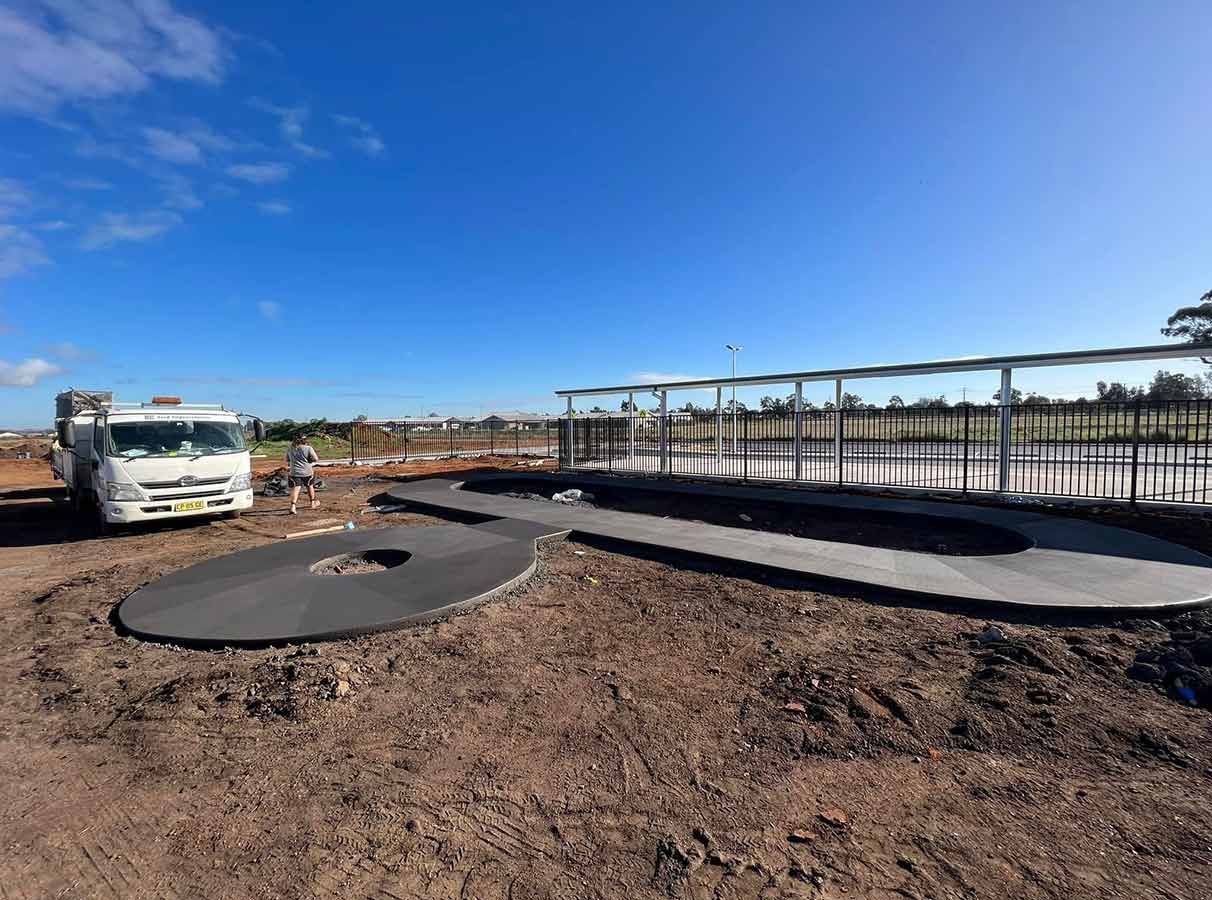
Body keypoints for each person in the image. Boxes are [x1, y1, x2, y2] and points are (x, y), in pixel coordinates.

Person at [286, 435, 320, 514]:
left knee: (296, 488)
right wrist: (309, 460)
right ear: (304, 440)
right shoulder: (308, 448)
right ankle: (312, 503)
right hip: (307, 471)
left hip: (294, 472)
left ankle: (293, 506)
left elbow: (287, 459)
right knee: (309, 486)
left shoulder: (290, 448)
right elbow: (316, 459)